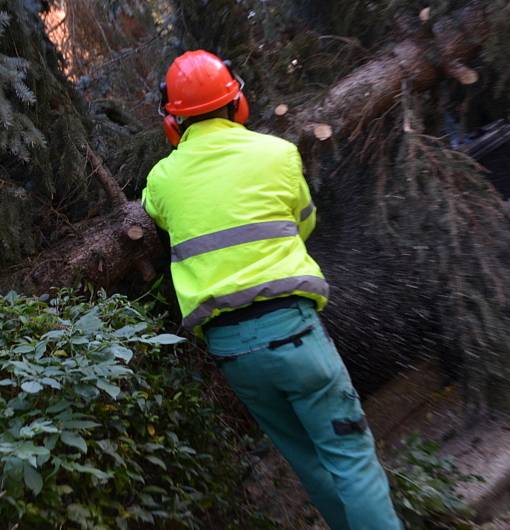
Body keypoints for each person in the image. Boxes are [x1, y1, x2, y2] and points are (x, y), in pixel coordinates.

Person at [141, 50, 402, 530]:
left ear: (173, 123)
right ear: (237, 103)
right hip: (295, 333)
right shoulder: (277, 153)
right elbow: (304, 223)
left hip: (233, 352)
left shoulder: (161, 179)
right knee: (350, 457)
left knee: (312, 465)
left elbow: (155, 211)